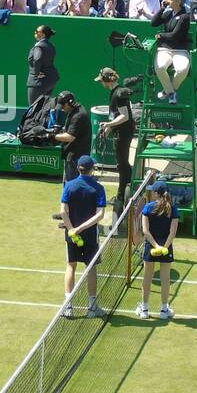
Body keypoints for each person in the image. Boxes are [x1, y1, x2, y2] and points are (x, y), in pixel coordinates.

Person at [60, 154, 108, 319]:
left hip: (72, 235)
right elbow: (100, 215)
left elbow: (63, 211)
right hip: (89, 235)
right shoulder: (98, 188)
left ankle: (68, 307)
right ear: (92, 169)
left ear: (78, 168)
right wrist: (81, 228)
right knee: (91, 268)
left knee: (70, 266)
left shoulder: (69, 186)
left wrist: (72, 229)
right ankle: (92, 308)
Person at [95, 65, 139, 216]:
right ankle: (124, 192)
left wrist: (109, 125)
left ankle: (122, 195)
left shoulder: (119, 94)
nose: (101, 83)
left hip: (124, 133)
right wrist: (109, 128)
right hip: (121, 131)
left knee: (122, 164)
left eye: (102, 81)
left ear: (107, 80)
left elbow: (124, 116)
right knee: (122, 163)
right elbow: (117, 117)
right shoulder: (116, 92)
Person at [136, 180, 178, 320]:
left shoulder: (148, 208)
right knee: (165, 279)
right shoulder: (173, 209)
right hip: (166, 248)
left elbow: (145, 231)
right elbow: (172, 233)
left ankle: (145, 309)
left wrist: (156, 246)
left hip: (150, 247)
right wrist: (164, 248)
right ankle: (164, 310)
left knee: (147, 277)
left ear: (155, 194)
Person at [151, 0, 192, 102]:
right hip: (165, 49)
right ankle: (171, 93)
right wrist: (162, 8)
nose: (167, 0)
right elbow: (153, 23)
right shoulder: (169, 13)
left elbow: (174, 35)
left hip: (180, 50)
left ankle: (167, 91)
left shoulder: (185, 17)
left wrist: (160, 35)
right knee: (160, 67)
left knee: (182, 69)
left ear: (178, 1)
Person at [27, 23, 59, 104]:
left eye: (37, 31)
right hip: (51, 80)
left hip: (38, 82)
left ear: (43, 34)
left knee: (33, 107)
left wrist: (36, 73)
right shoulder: (51, 45)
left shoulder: (39, 46)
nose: (35, 32)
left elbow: (37, 59)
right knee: (44, 107)